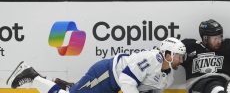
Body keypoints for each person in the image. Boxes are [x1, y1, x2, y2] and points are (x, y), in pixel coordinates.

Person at [7, 37, 187, 93]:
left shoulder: (168, 76)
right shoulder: (149, 58)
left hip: (110, 85)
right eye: (179, 56)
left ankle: (69, 85)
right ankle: (32, 75)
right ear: (168, 54)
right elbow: (127, 79)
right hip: (105, 74)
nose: (182, 60)